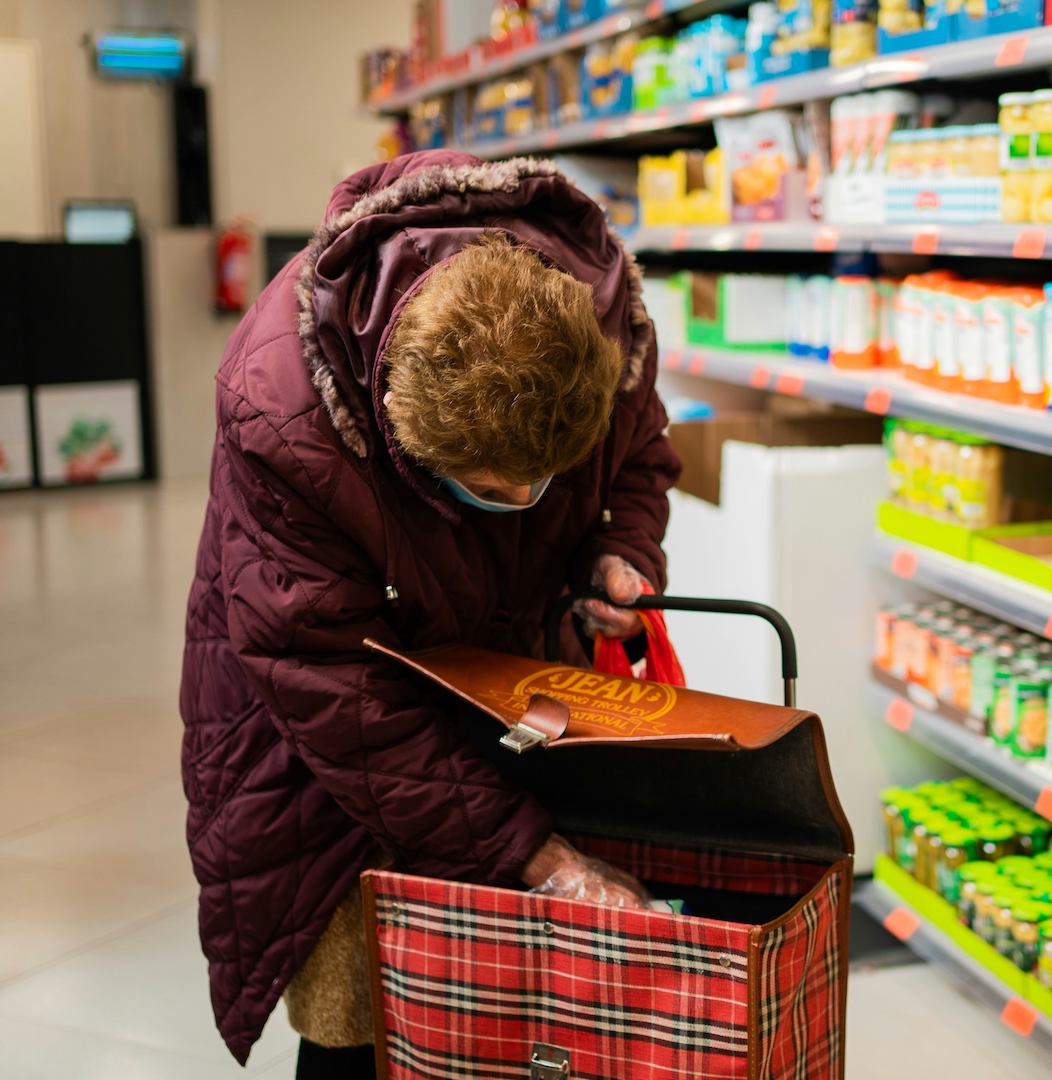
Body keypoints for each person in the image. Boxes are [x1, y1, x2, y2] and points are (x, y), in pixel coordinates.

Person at [179, 150, 680, 1078]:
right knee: (359, 1007)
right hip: (326, 745)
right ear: (404, 439)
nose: (528, 498)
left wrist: (621, 550)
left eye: (548, 480)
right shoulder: (282, 408)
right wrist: (533, 853)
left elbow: (640, 458)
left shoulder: (596, 335)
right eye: (494, 488)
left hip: (509, 688)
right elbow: (335, 689)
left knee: (516, 1014)